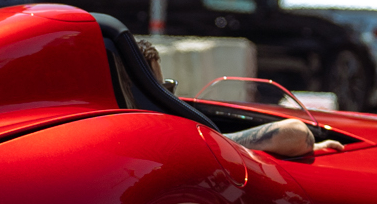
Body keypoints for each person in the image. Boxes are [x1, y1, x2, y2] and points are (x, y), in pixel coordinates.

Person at [135, 38, 338, 158]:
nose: (166, 97)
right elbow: (295, 133)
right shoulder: (157, 142)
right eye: (160, 89)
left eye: (168, 88)